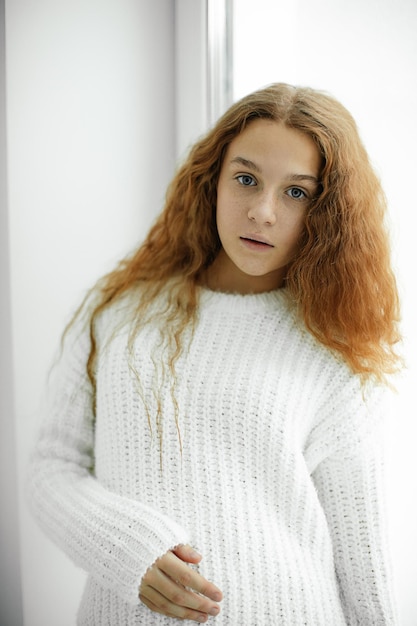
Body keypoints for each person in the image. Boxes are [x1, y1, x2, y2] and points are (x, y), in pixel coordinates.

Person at [28, 83, 402, 625]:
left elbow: (363, 566)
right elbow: (51, 468)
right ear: (213, 180)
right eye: (246, 179)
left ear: (329, 211)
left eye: (296, 192)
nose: (263, 212)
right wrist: (127, 547)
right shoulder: (121, 313)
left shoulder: (334, 346)